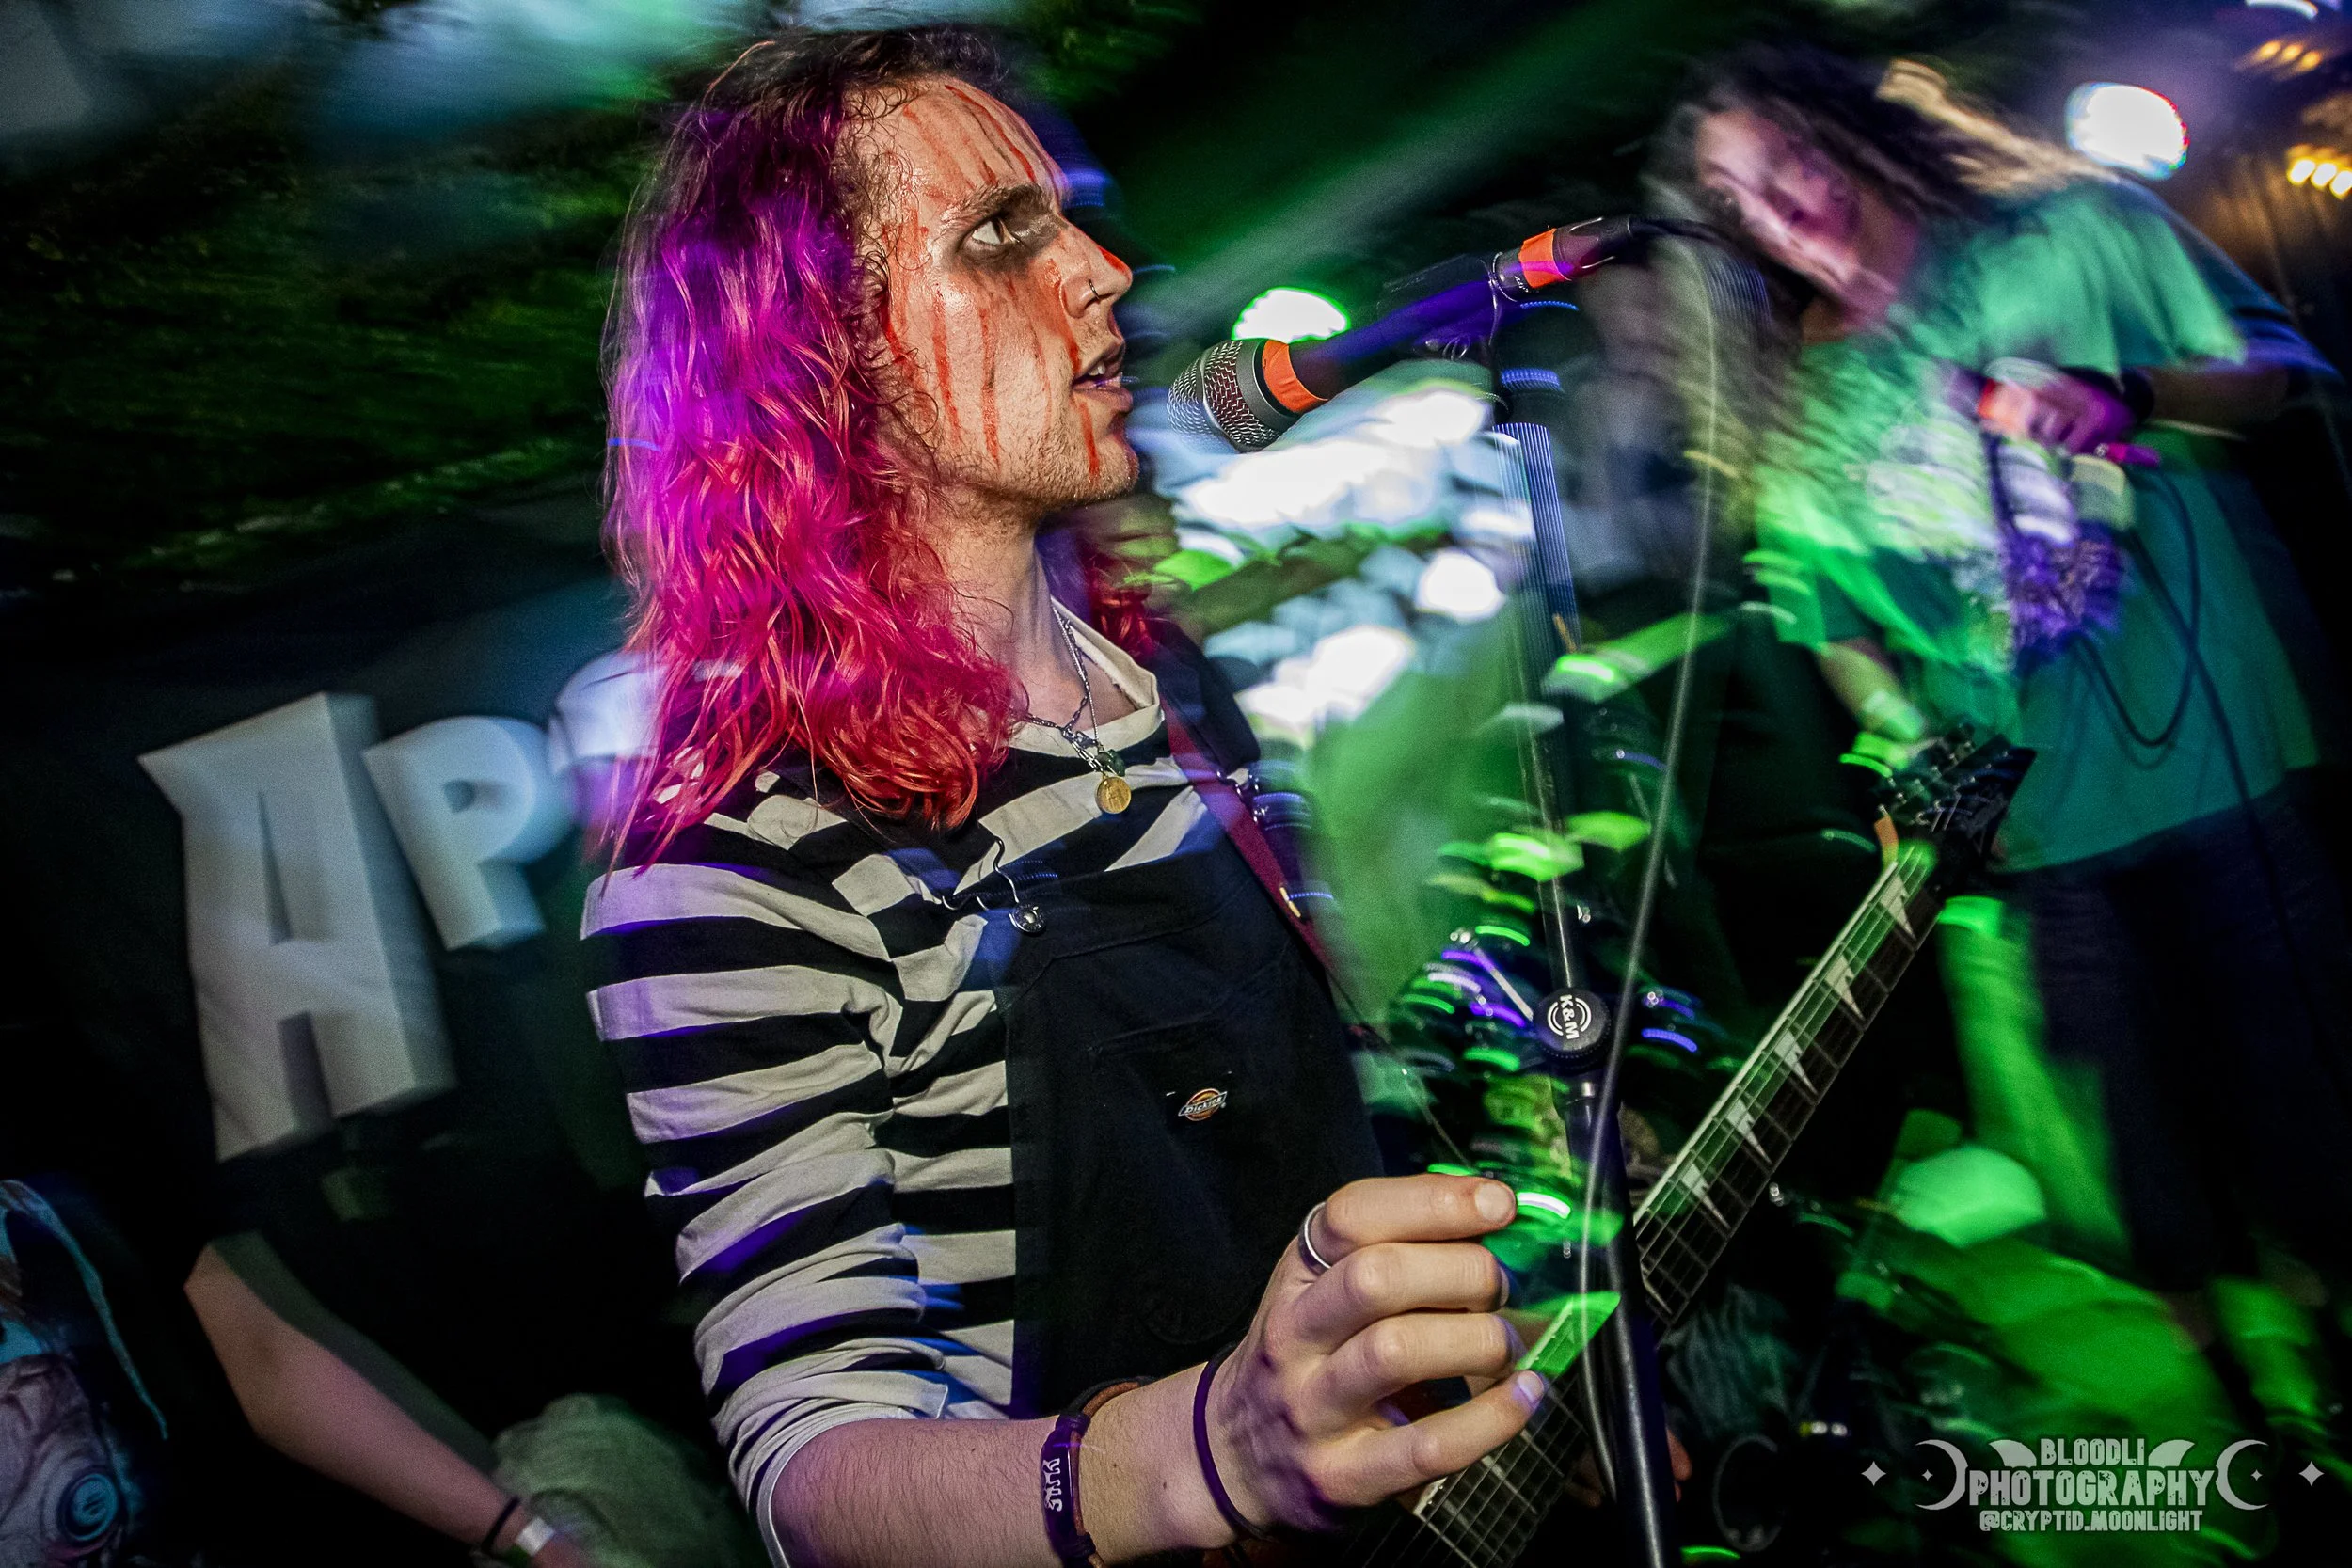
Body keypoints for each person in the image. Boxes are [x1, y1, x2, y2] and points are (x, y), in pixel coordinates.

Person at [583, 28, 1548, 1567]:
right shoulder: (730, 858)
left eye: (1072, 217)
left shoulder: (1170, 693)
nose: (1102, 269)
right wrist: (1207, 1453)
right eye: (998, 237)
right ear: (827, 355)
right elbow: (811, 1467)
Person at [1662, 48, 2352, 1325]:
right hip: (2039, 841)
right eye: (1736, 198)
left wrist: (2130, 394)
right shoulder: (1789, 401)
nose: (1775, 210)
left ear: (1857, 133)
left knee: (2320, 1152)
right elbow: (1835, 624)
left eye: (1791, 163)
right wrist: (1902, 733)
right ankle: (2255, 1444)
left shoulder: (2071, 235)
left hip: (2221, 775)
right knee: (2151, 1208)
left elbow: (2279, 375)